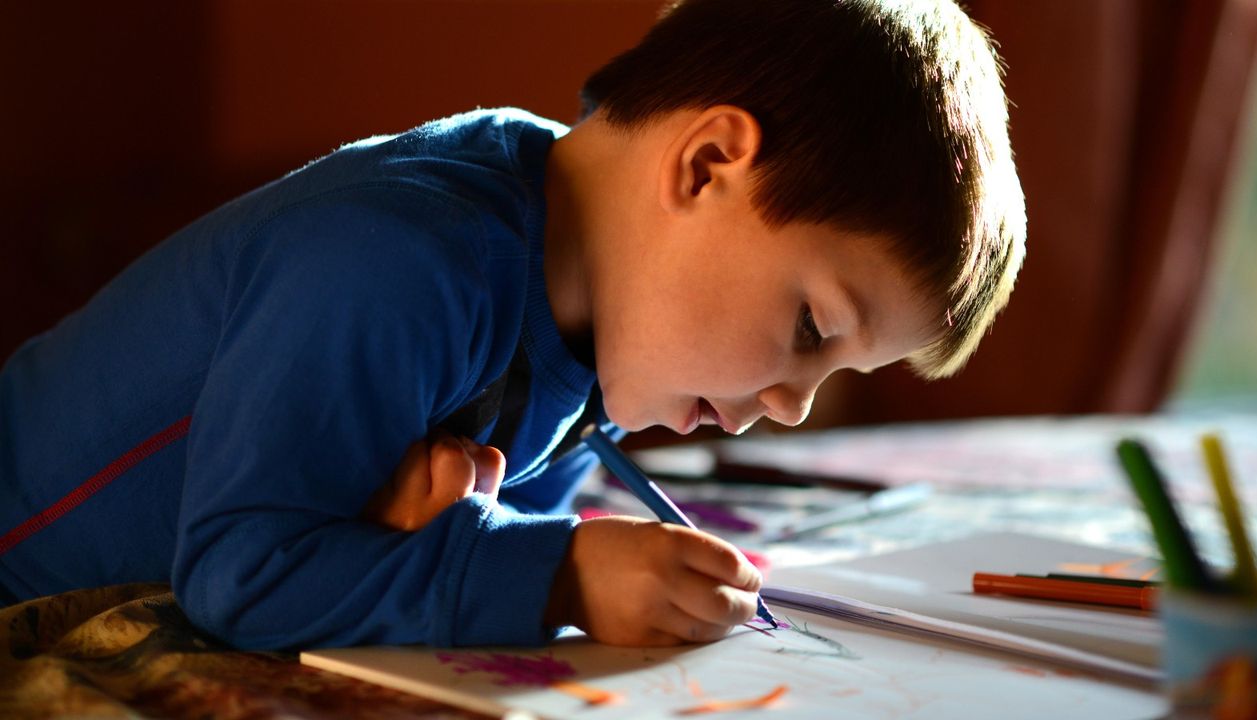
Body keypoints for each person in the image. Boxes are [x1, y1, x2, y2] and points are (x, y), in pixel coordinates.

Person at [0, 0, 1025, 650]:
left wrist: (421, 544)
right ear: (706, 164)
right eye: (809, 325)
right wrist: (560, 570)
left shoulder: (607, 316)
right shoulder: (395, 260)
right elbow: (244, 576)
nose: (792, 410)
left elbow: (430, 533)